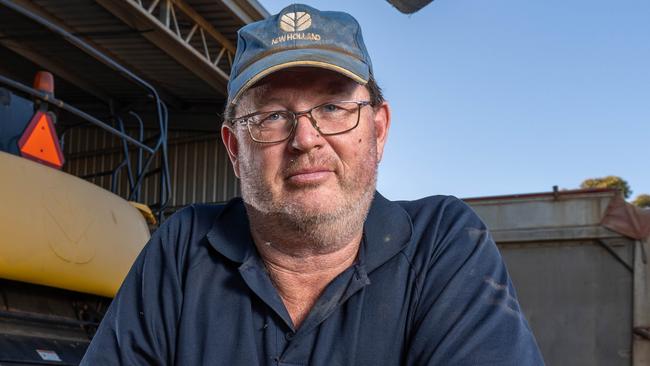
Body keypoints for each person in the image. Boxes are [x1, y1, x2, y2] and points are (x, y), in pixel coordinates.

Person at [81, 3, 543, 365]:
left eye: (332, 108)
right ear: (236, 149)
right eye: (272, 115)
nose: (305, 139)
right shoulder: (184, 246)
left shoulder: (444, 243)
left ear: (378, 131)